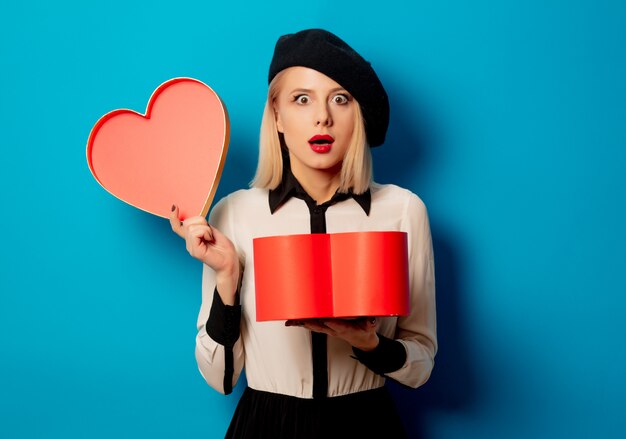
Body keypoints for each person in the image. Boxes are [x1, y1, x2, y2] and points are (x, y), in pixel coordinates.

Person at [170, 28, 437, 438]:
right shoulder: (234, 214)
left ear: (359, 114)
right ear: (276, 114)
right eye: (302, 99)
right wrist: (227, 277)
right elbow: (220, 378)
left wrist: (369, 344)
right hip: (266, 424)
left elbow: (419, 366)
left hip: (366, 424)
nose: (322, 117)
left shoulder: (402, 211)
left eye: (340, 99)